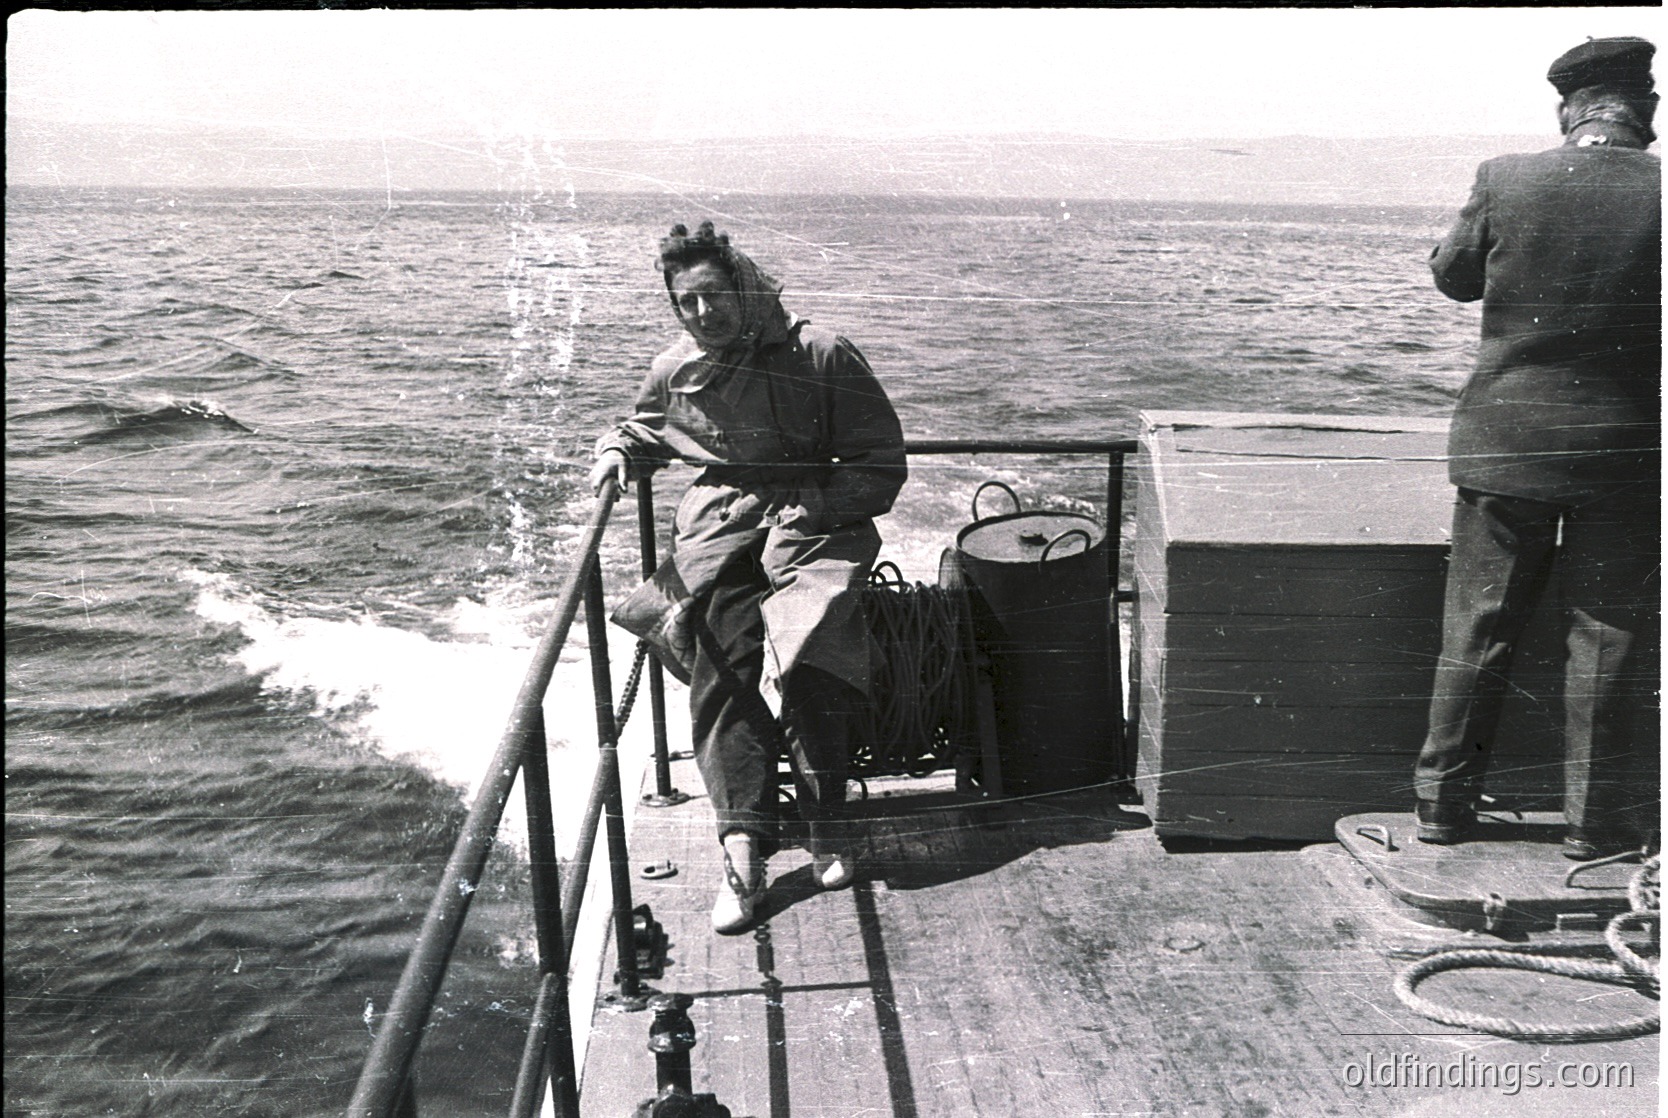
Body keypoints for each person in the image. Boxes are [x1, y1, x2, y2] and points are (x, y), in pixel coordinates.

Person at [591, 222, 907, 931]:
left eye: (712, 295)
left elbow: (882, 462)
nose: (703, 314)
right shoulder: (677, 368)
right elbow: (644, 428)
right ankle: (743, 851)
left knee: (810, 654)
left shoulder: (819, 353)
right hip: (720, 532)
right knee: (722, 666)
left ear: (743, 285)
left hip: (816, 527)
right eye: (685, 304)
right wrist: (617, 450)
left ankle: (828, 822)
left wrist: (813, 506)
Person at [1412, 37, 1661, 859]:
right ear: (1645, 111)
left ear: (1569, 111)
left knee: (1478, 629)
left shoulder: (1505, 177)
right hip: (1623, 456)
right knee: (1608, 640)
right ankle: (1597, 832)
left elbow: (1453, 277)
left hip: (1506, 446)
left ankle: (1442, 810)